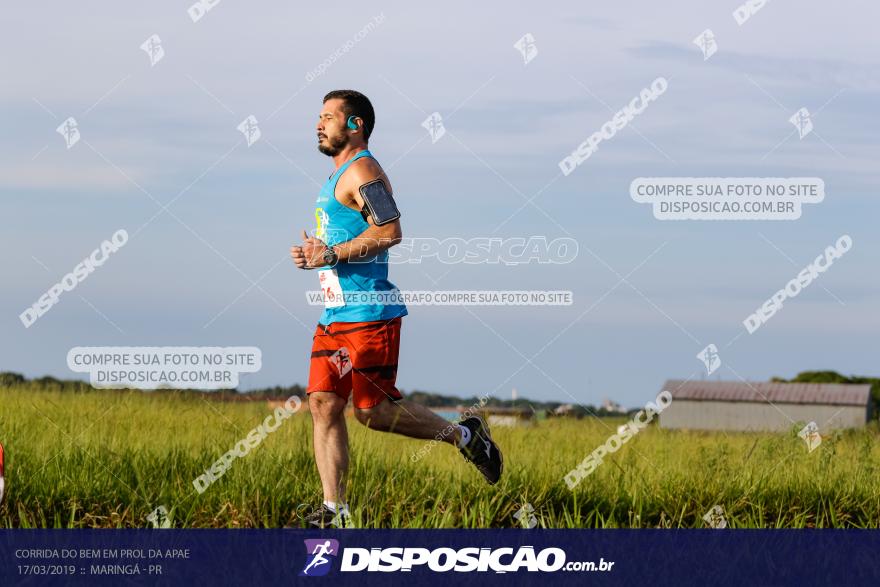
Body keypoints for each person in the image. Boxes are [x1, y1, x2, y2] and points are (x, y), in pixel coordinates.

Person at [290, 90, 503, 528]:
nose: (318, 124)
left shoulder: (363, 170)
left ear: (356, 126)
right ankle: (335, 513)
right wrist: (318, 251)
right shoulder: (334, 179)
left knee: (374, 412)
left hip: (369, 314)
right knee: (323, 404)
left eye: (328, 117)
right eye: (319, 116)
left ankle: (467, 435)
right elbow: (345, 239)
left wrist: (331, 256)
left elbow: (389, 231)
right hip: (334, 315)